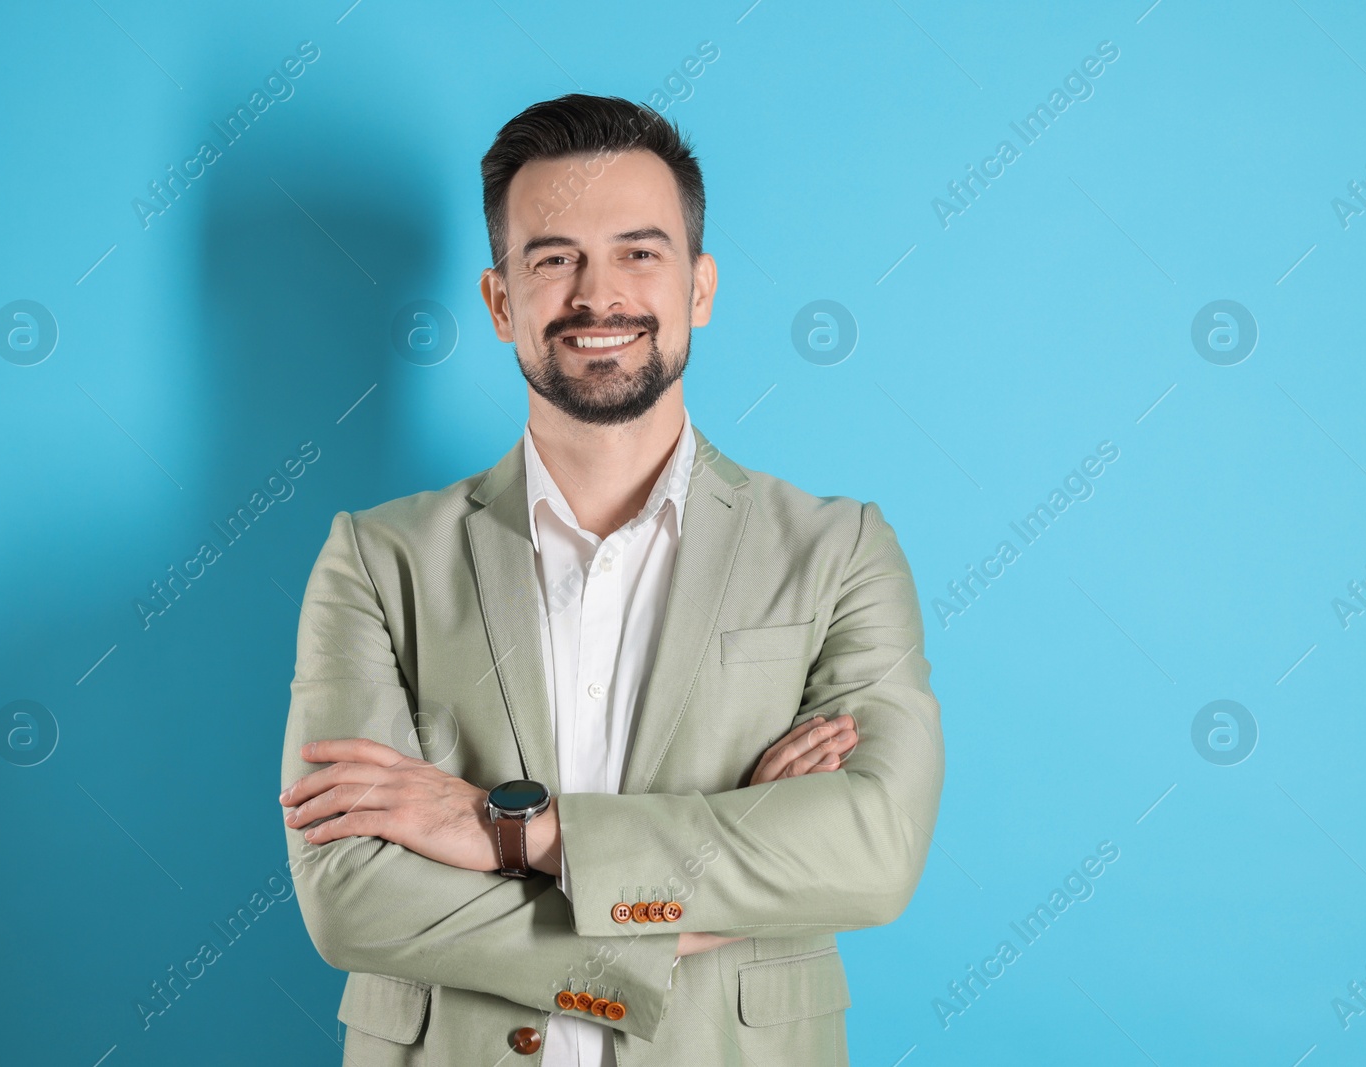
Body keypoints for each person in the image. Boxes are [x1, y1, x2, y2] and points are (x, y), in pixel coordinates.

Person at [278, 93, 944, 1066]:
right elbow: (349, 895)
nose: (599, 296)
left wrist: (517, 834)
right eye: (553, 258)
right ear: (502, 299)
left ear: (699, 286)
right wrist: (710, 895)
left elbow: (873, 850)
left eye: (640, 251)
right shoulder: (376, 560)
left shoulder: (839, 551)